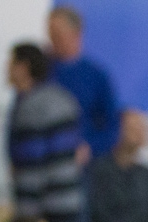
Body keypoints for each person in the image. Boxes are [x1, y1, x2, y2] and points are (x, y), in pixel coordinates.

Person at [6, 42, 84, 222]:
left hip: (46, 213)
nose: (6, 69)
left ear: (24, 67)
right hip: (70, 205)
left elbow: (32, 169)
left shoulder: (31, 108)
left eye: (11, 62)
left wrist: (25, 220)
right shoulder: (63, 98)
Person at [47, 5, 120, 161]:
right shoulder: (42, 72)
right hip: (44, 162)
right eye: (50, 34)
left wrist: (90, 147)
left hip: (82, 169)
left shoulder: (96, 76)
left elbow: (112, 127)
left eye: (57, 35)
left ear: (75, 34)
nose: (51, 40)